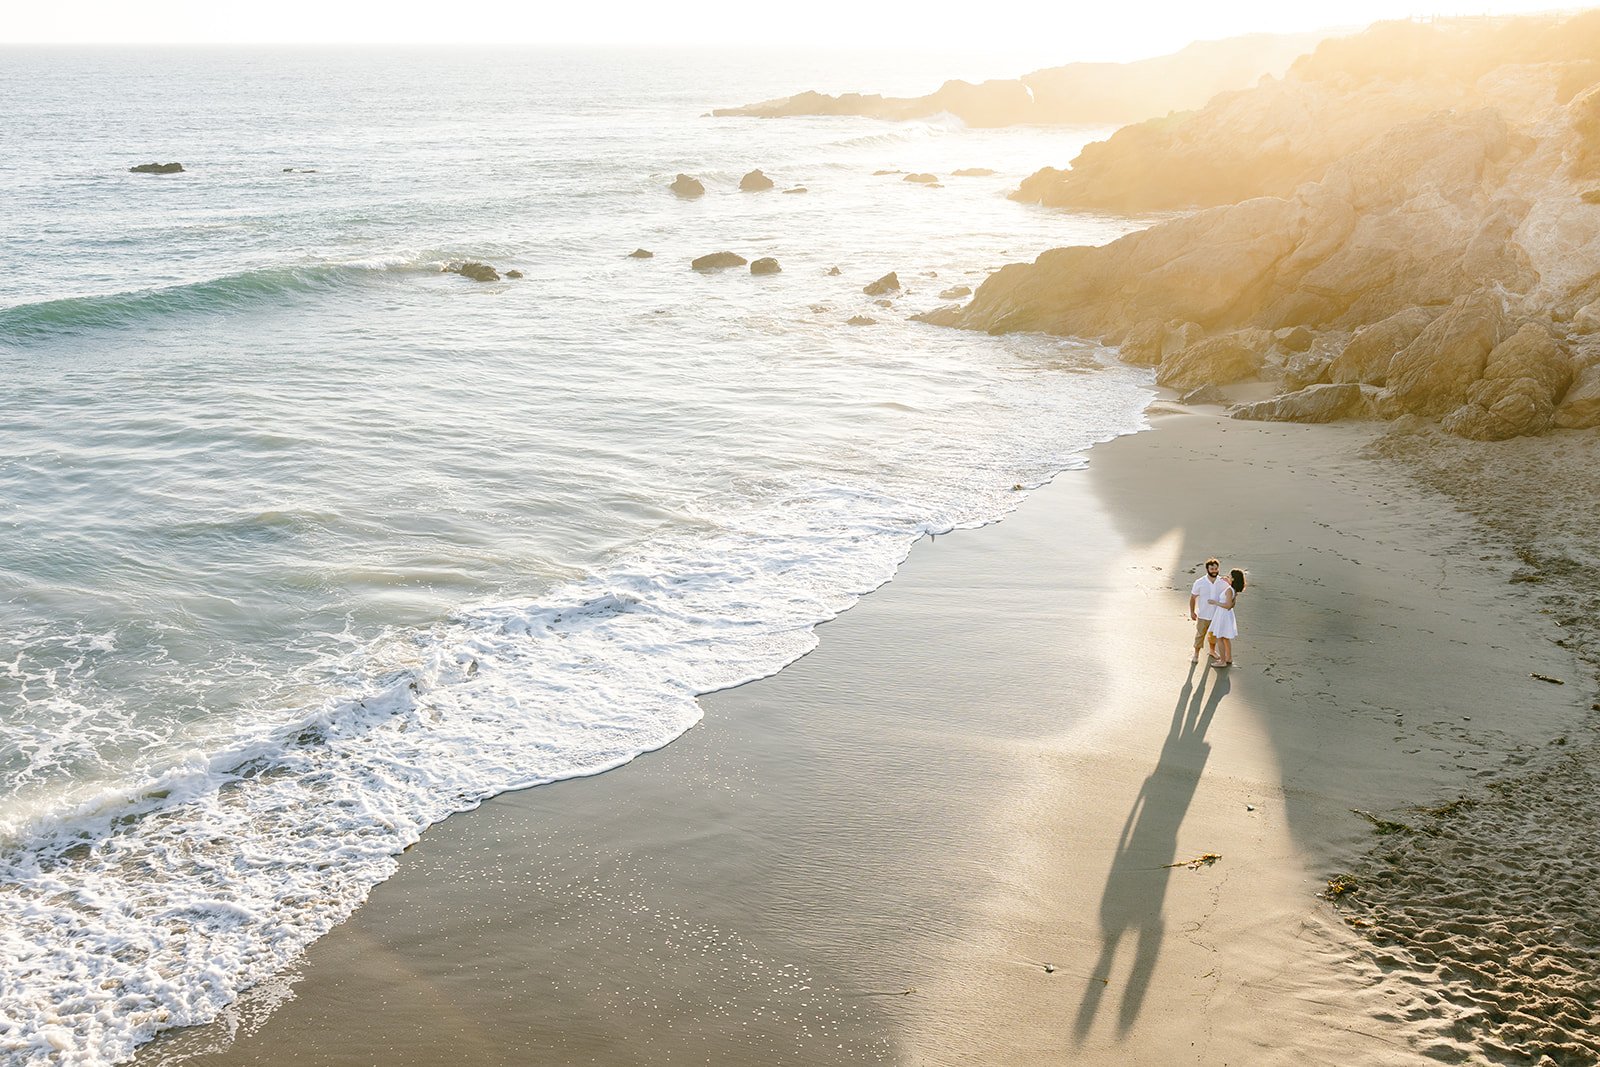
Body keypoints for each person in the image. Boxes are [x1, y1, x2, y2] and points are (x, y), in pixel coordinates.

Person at [1188, 559, 1228, 664]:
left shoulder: (1223, 582)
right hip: (1203, 614)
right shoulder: (1199, 582)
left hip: (1217, 615)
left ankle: (1212, 651)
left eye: (1216, 568)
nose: (1214, 571)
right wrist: (1192, 612)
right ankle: (1196, 654)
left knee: (1213, 635)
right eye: (1212, 569)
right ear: (1207, 569)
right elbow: (1193, 597)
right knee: (1200, 635)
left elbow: (1231, 593)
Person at [1208, 569, 1246, 667]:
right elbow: (1232, 605)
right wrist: (1227, 581)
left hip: (1223, 615)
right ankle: (1228, 658)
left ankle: (1222, 661)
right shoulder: (1233, 590)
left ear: (1233, 579)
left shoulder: (1229, 590)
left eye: (1229, 576)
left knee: (1219, 638)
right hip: (1226, 615)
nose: (1227, 576)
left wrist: (1215, 602)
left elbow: (1228, 605)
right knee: (1225, 638)